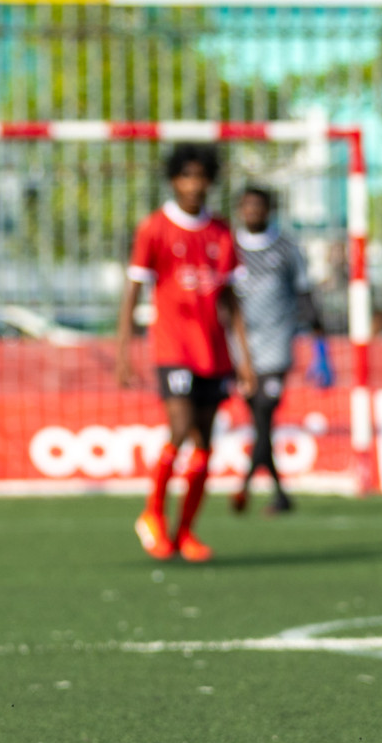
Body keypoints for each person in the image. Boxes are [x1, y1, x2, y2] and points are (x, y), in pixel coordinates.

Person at [116, 144, 256, 563]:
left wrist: (245, 358)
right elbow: (132, 291)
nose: (194, 185)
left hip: (213, 352)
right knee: (179, 428)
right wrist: (124, 350)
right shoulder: (154, 228)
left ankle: (186, 532)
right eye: (186, 176)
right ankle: (152, 514)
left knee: (204, 444)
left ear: (210, 180)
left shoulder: (220, 232)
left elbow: (232, 302)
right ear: (174, 179)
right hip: (172, 347)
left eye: (201, 176)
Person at [230, 186, 324, 515]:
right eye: (247, 205)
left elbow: (304, 292)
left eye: (259, 205)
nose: (253, 211)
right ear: (240, 209)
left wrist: (319, 346)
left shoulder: (286, 247)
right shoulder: (229, 246)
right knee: (259, 418)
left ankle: (246, 486)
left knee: (264, 412)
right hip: (240, 349)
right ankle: (278, 494)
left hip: (276, 345)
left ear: (269, 209)